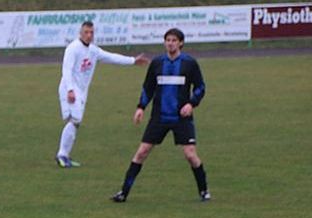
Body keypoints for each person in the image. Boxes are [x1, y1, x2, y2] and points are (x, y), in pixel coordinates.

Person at [112, 28, 210, 203]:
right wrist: (141, 107)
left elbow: (201, 87)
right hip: (159, 117)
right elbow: (148, 88)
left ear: (181, 43)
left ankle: (204, 191)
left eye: (174, 40)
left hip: (181, 118)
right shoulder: (157, 63)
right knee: (142, 152)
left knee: (190, 155)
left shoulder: (189, 63)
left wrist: (191, 103)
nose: (170, 43)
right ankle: (123, 192)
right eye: (167, 40)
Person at [56, 21, 148, 168]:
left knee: (75, 122)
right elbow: (66, 70)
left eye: (91, 32)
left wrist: (132, 61)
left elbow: (112, 57)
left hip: (81, 91)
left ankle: (64, 155)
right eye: (86, 32)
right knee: (75, 120)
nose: (89, 35)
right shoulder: (73, 48)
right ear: (80, 33)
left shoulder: (93, 50)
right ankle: (61, 155)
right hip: (70, 88)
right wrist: (70, 90)